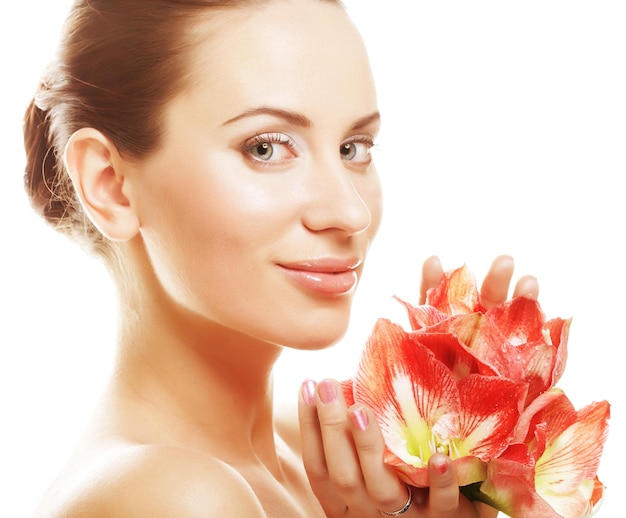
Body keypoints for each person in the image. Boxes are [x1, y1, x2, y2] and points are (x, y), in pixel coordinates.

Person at [23, 0, 540, 516]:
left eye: (354, 147)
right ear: (109, 185)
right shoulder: (176, 495)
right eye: (266, 147)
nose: (350, 211)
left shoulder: (324, 462)